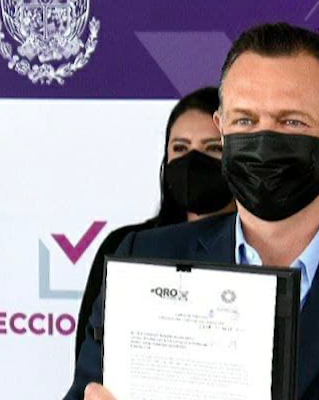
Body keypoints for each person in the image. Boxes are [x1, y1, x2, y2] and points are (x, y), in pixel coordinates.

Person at [72, 23, 319, 400]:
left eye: (291, 122)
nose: (263, 142)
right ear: (222, 129)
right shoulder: (144, 260)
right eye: (245, 120)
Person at [69, 86, 235, 370]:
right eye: (180, 148)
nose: (193, 161)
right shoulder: (127, 246)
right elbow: (91, 362)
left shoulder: (261, 249)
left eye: (214, 148)